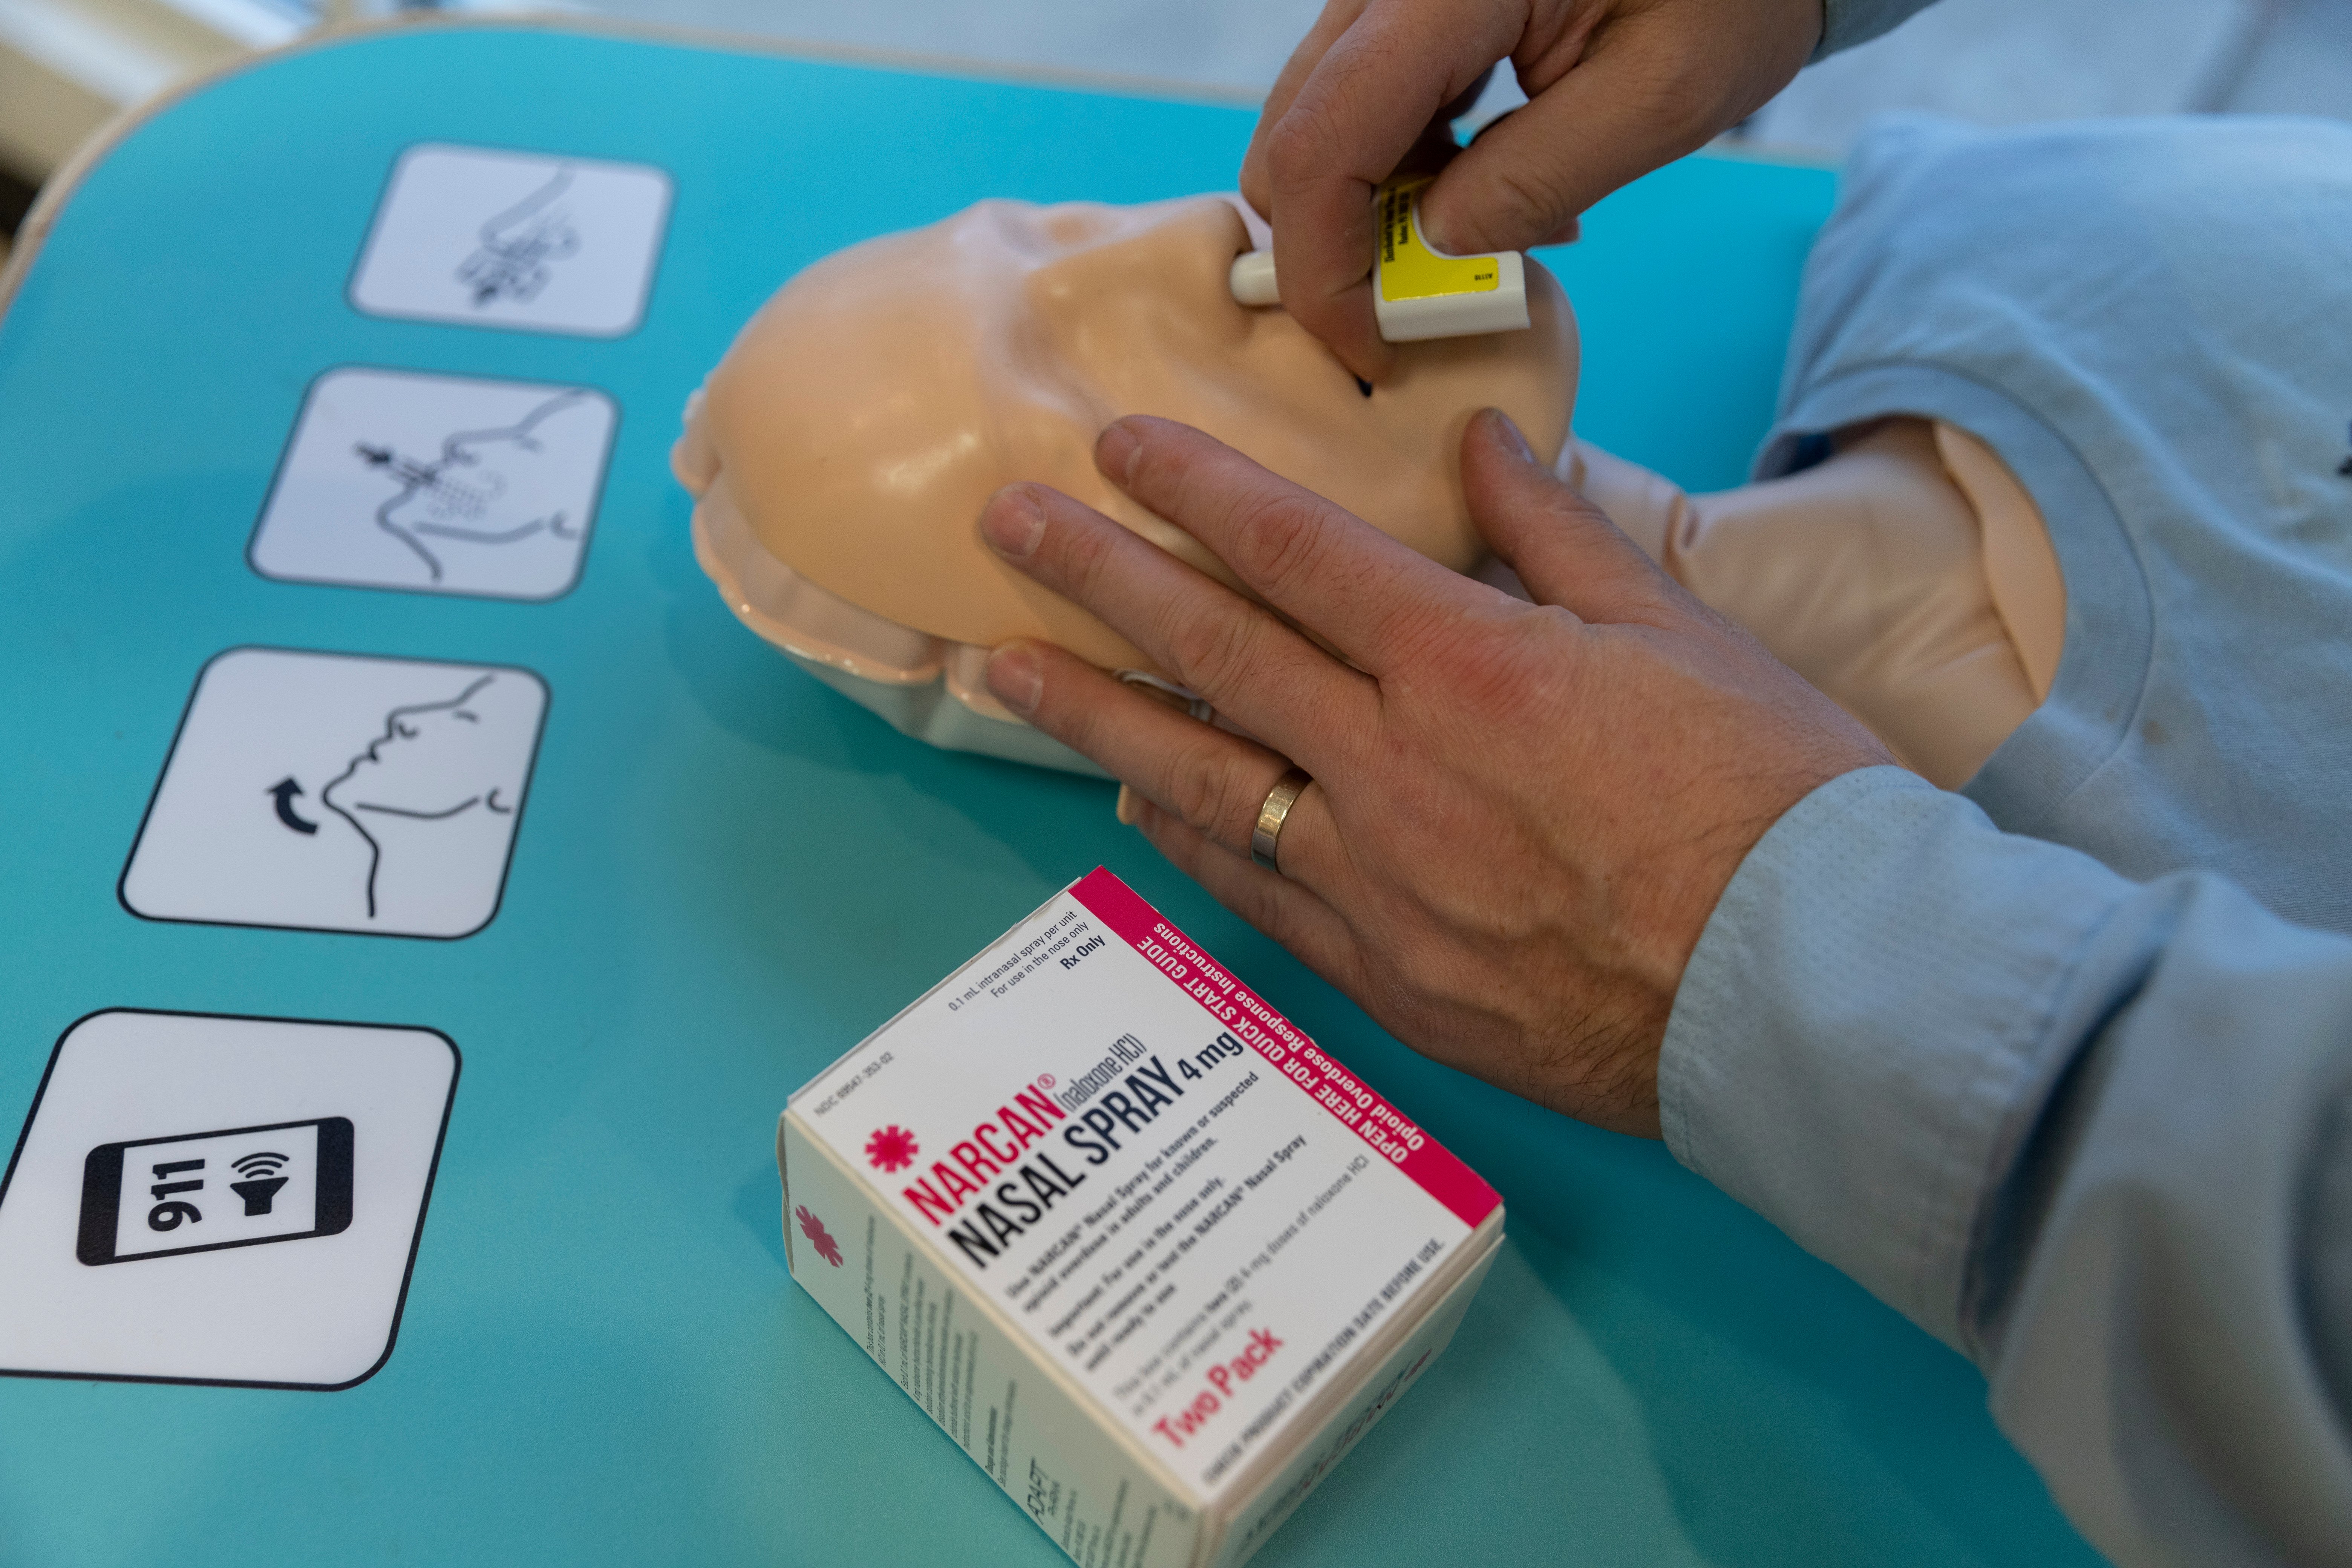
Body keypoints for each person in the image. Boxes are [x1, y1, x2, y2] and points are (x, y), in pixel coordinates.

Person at [967, 3, 2352, 1563]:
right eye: (1060, 355)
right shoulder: (2049, 245)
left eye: (1058, 230)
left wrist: (1772, 960)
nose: (1154, 256)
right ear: (962, 670)